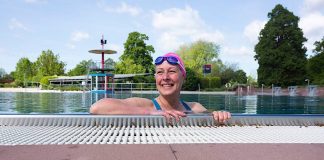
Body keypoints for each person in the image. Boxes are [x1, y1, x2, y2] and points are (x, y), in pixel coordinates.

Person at [90, 52, 231, 123]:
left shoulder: (194, 108)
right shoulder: (146, 105)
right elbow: (97, 107)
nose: (165, 78)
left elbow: (211, 115)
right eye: (160, 72)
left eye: (171, 71)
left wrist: (219, 114)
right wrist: (149, 113)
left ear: (183, 77)